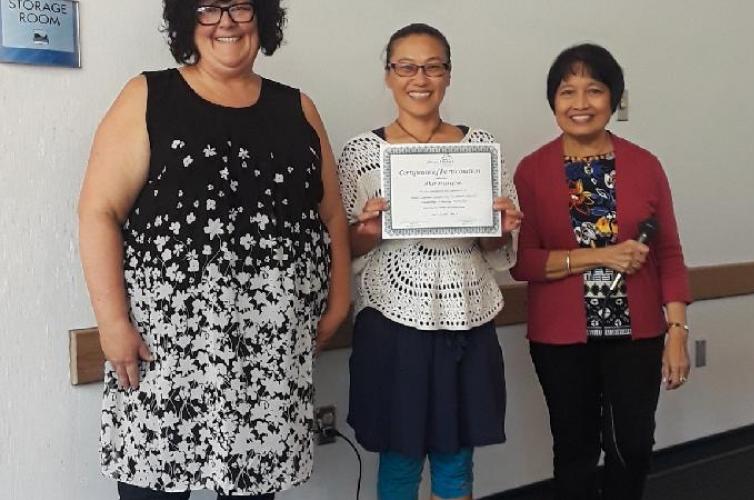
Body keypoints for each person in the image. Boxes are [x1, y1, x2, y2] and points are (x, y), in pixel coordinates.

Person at [77, 1, 350, 498]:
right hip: (163, 350)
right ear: (187, 20)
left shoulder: (298, 107)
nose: (225, 21)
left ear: (262, 18)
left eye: (241, 6)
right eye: (207, 8)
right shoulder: (148, 95)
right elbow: (99, 213)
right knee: (153, 488)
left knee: (253, 491)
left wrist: (338, 300)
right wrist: (112, 323)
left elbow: (330, 216)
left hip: (270, 352)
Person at [338, 23, 523, 500]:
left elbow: (494, 248)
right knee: (399, 460)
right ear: (388, 75)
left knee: (456, 459)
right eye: (406, 67)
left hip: (466, 315)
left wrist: (500, 229)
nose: (420, 78)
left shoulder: (481, 149)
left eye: (433, 66)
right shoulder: (361, 155)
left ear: (448, 74)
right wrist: (365, 232)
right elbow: (342, 250)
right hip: (391, 320)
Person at [510, 43, 691, 500]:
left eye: (594, 90)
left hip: (638, 334)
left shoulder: (645, 165)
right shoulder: (531, 171)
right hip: (560, 339)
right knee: (574, 450)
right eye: (567, 92)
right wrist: (601, 256)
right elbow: (525, 263)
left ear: (614, 99)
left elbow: (668, 253)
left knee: (632, 445)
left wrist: (677, 333)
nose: (580, 103)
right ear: (553, 102)